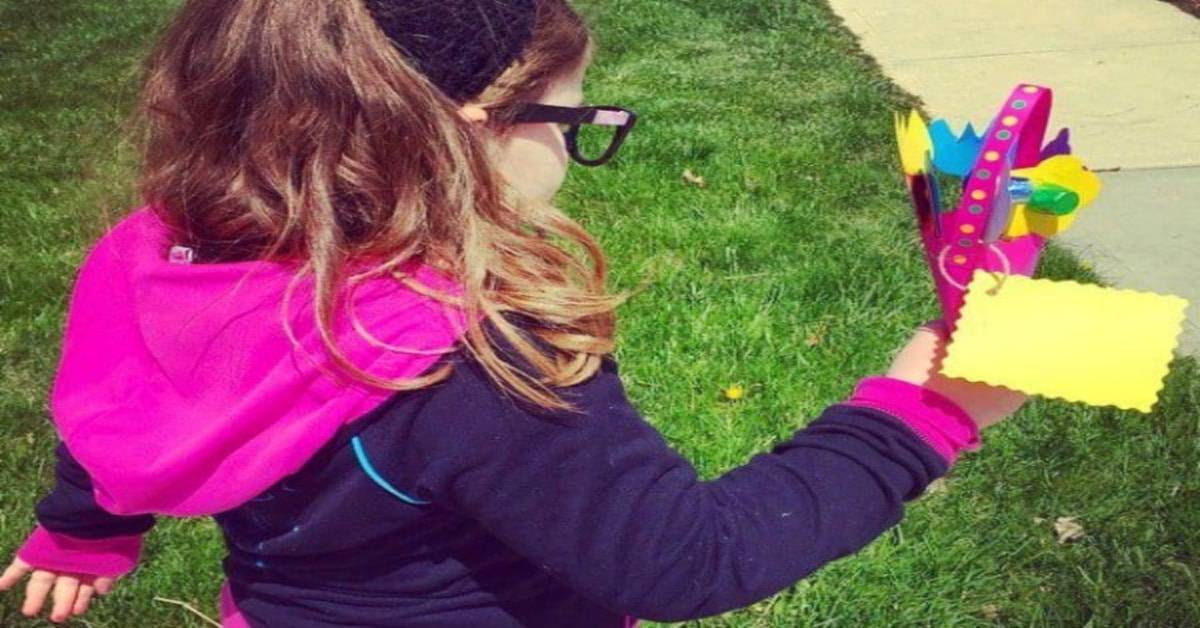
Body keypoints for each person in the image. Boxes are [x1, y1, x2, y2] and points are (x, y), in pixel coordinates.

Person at [0, 0, 1026, 626]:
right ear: (467, 130)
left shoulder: (158, 252)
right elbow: (686, 558)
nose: (573, 152)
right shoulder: (468, 356)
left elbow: (119, 406)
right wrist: (929, 411)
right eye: (572, 120)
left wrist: (83, 531)